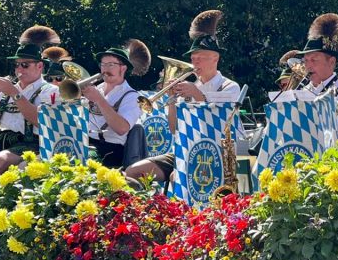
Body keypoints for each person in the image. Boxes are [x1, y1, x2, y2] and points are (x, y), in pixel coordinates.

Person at [126, 10, 240, 184]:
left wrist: (197, 94)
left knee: (177, 177)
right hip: (184, 150)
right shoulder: (190, 86)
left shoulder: (230, 87)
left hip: (216, 153)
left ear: (215, 58)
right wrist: (171, 100)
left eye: (200, 58)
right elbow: (173, 129)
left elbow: (222, 121)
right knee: (133, 172)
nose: (195, 63)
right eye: (193, 58)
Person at [0, 26, 59, 177]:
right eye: (17, 65)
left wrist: (14, 93)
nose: (19, 69)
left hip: (32, 144)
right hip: (1, 141)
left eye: (25, 65)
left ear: (39, 66)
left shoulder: (50, 91)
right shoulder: (5, 90)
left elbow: (42, 122)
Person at [86, 39, 150, 168]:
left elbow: (122, 129)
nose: (105, 69)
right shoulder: (98, 89)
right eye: (103, 64)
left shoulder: (133, 97)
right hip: (87, 143)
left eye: (111, 65)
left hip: (110, 152)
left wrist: (99, 100)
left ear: (123, 68)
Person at [301, 13, 338, 139]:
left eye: (314, 60)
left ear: (331, 62)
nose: (308, 66)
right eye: (306, 60)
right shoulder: (304, 90)